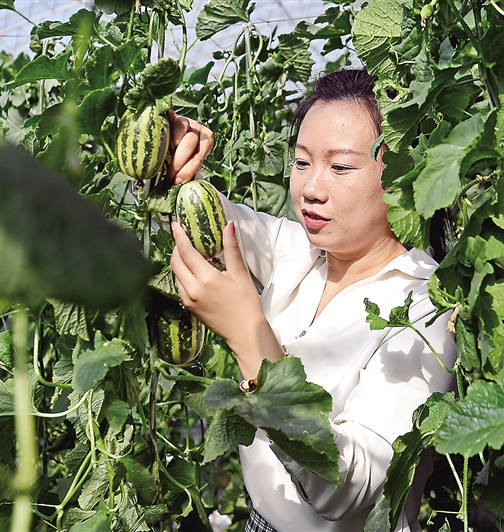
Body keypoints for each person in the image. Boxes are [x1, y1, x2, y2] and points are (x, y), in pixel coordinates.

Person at [168, 68, 456, 532]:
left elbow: (352, 490)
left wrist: (249, 338)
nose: (311, 189)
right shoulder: (301, 251)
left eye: (340, 167)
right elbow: (211, 221)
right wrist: (173, 159)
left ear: (405, 174)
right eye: (302, 162)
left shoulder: (425, 307)